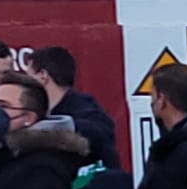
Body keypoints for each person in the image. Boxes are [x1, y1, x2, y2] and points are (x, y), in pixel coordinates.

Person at [26, 45, 122, 173]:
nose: (24, 85)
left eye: (28, 76)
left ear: (43, 76)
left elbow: (97, 135)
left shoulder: (88, 113)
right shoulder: (41, 113)